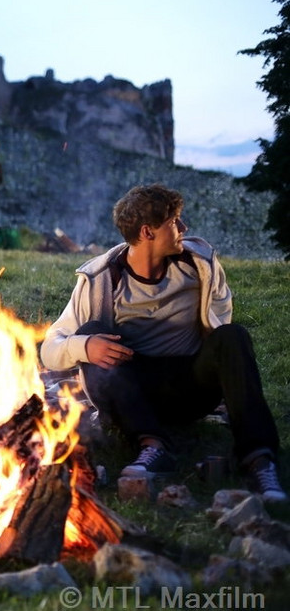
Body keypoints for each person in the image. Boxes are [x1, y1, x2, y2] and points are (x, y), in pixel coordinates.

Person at [40, 184, 286, 503]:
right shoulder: (102, 278)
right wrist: (84, 347)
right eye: (174, 222)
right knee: (91, 331)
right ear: (148, 232)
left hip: (190, 385)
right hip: (132, 392)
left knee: (232, 336)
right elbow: (51, 347)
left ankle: (258, 459)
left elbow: (221, 316)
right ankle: (154, 448)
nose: (183, 228)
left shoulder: (200, 266)